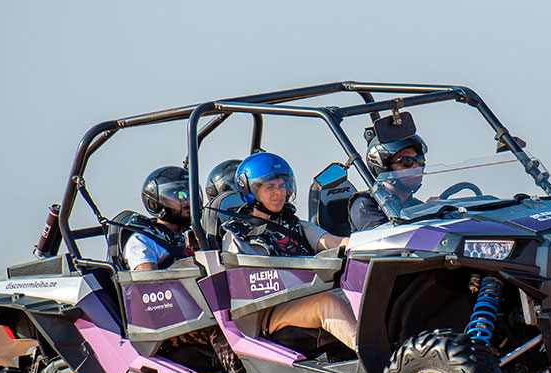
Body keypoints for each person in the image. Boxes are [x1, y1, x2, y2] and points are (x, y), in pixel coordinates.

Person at [222, 152, 358, 352]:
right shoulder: (237, 236)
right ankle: (379, 363)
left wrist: (370, 242)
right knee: (327, 302)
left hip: (309, 295)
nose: (280, 193)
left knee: (361, 293)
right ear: (251, 190)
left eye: (282, 185)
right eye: (270, 187)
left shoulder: (296, 225)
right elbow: (246, 286)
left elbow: (333, 242)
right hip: (270, 312)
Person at [348, 128, 428, 232]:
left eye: (419, 160)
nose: (416, 166)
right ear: (385, 168)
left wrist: (436, 209)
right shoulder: (366, 205)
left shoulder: (416, 205)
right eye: (407, 161)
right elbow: (390, 239)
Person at [123, 166, 195, 271]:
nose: (187, 201)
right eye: (180, 195)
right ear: (155, 202)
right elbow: (151, 283)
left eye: (190, 195)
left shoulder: (197, 236)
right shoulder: (143, 240)